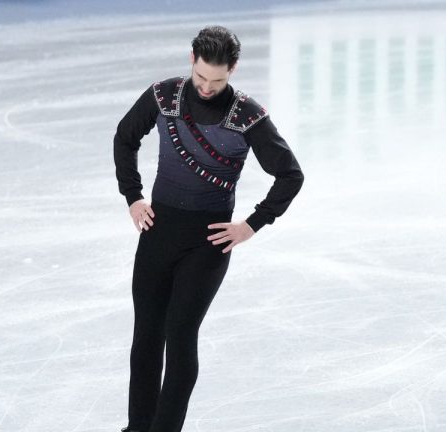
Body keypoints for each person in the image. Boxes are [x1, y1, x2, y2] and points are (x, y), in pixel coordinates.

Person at [113, 26, 304, 432]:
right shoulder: (164, 96)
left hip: (208, 241)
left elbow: (290, 175)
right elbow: (125, 137)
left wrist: (252, 224)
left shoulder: (246, 116)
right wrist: (133, 196)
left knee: (180, 334)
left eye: (218, 81)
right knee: (147, 335)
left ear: (233, 69)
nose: (206, 87)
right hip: (159, 231)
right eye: (201, 77)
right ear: (191, 61)